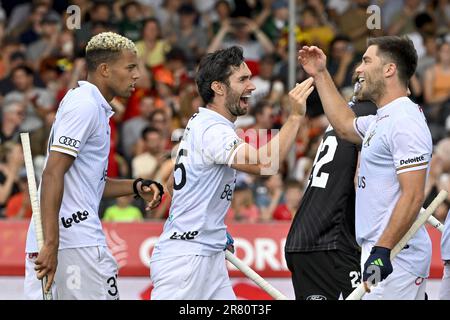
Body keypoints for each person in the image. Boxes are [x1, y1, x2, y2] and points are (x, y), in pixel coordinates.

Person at [150, 45, 314, 300]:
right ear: (218, 87)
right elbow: (264, 164)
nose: (252, 86)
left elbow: (175, 184)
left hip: (205, 254)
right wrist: (294, 117)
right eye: (243, 79)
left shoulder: (200, 122)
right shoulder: (214, 130)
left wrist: (211, 226)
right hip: (188, 262)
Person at [24, 32, 164, 300]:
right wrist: (52, 244)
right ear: (105, 70)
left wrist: (135, 186)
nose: (137, 75)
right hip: (74, 242)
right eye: (130, 67)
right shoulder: (86, 105)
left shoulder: (90, 104)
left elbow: (88, 183)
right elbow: (53, 172)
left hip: (63, 241)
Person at [298, 36, 433, 299]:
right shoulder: (383, 119)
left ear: (389, 69)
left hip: (396, 255)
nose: (358, 69)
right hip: (383, 250)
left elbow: (414, 195)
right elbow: (344, 125)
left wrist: (383, 250)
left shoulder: (404, 121)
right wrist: (321, 73)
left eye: (366, 60)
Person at [285, 78, 377, 300]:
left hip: (302, 237)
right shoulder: (373, 117)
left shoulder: (344, 114)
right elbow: (361, 179)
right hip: (331, 240)